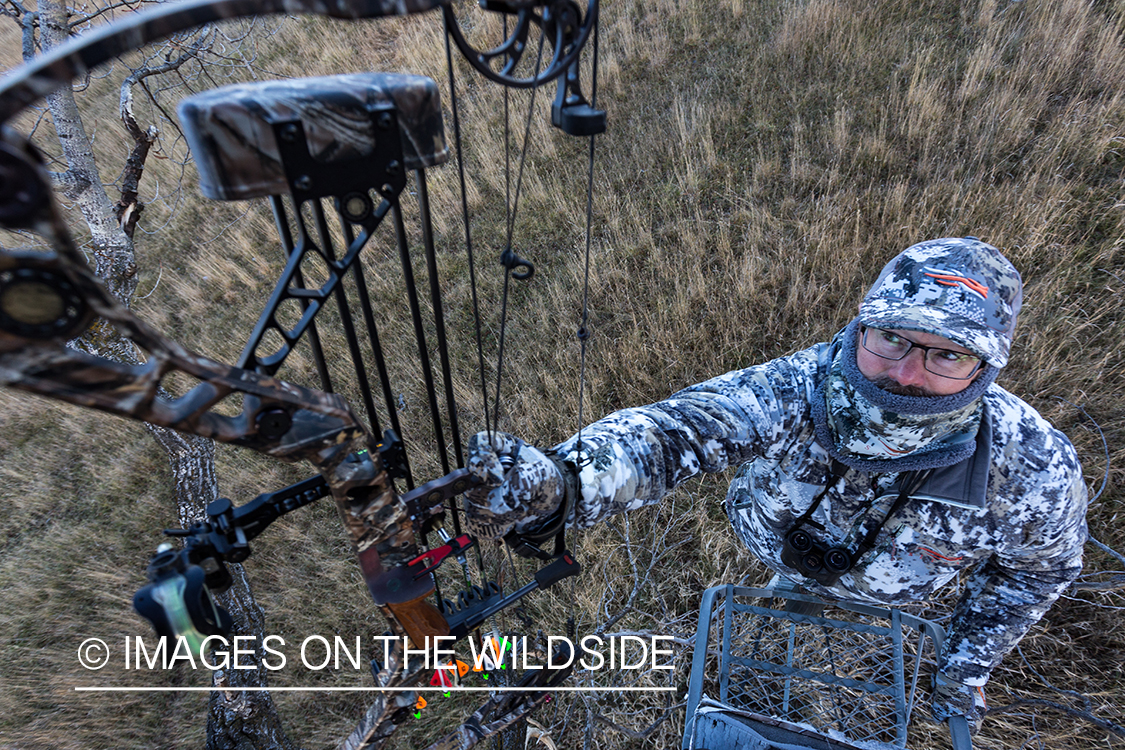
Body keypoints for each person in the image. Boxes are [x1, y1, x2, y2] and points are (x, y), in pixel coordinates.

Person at [462, 238, 1088, 733]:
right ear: (861, 328)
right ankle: (782, 603)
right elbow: (682, 429)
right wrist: (566, 482)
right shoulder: (801, 386)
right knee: (777, 605)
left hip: (888, 602)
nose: (905, 373)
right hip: (773, 549)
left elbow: (1037, 571)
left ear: (986, 368)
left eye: (947, 354)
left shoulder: (1031, 466)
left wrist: (965, 666)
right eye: (892, 337)